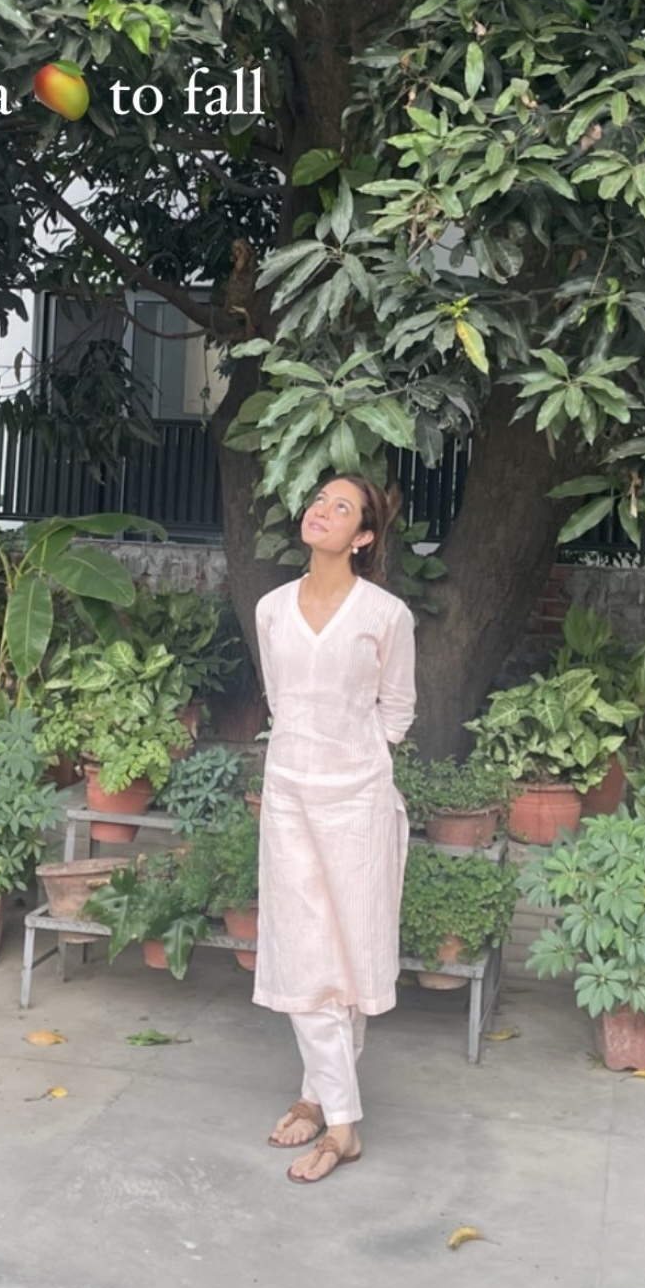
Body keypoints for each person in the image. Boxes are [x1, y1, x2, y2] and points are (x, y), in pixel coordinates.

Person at [252, 475, 417, 1184]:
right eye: (319, 499)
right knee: (305, 951)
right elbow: (281, 700)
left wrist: (359, 756)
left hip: (358, 803)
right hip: (290, 793)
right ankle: (344, 1126)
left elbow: (397, 709)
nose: (321, 510)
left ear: (364, 536)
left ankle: (319, 1097)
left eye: (341, 507)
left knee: (349, 954)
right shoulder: (271, 609)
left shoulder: (386, 614)